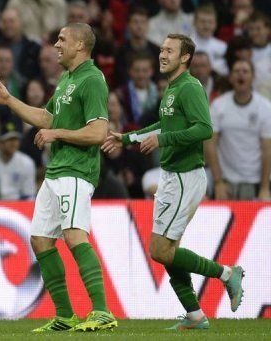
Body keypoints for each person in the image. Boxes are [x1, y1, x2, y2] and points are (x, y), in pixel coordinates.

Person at [0, 22, 117, 332]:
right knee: (41, 240)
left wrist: (57, 133)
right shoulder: (68, 78)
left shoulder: (93, 80)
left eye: (62, 39)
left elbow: (98, 132)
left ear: (80, 46)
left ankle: (102, 311)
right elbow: (46, 117)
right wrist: (9, 101)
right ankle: (66, 316)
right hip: (57, 170)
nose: (56, 44)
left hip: (77, 170)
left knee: (73, 235)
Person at [102, 33, 244, 330]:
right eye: (162, 49)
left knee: (160, 250)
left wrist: (163, 139)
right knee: (167, 251)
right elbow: (163, 125)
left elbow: (205, 128)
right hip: (171, 177)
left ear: (185, 57)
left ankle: (227, 275)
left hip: (185, 177)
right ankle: (194, 314)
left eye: (169, 50)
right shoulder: (171, 88)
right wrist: (128, 138)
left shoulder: (191, 87)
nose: (162, 54)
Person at [205, 59, 271, 200]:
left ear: (253, 77)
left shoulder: (265, 108)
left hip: (254, 181)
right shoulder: (218, 105)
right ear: (230, 77)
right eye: (236, 71)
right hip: (226, 181)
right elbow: (210, 144)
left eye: (245, 71)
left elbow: (268, 150)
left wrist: (265, 187)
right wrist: (218, 182)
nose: (241, 75)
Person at [0, 127, 36, 200]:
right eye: (9, 140)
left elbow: (29, 194)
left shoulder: (26, 162)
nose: (14, 143)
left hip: (16, 204)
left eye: (16, 140)